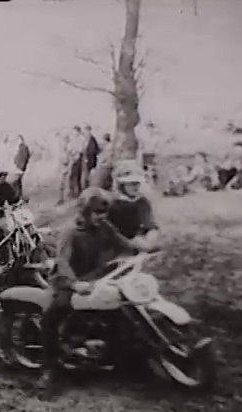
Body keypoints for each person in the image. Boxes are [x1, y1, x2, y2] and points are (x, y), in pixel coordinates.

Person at [40, 188, 138, 385]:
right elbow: (62, 262)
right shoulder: (70, 232)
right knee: (52, 315)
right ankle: (50, 367)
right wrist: (75, 284)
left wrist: (141, 251)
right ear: (85, 211)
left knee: (123, 307)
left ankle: (118, 355)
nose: (102, 217)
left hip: (96, 278)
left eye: (104, 212)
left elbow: (122, 243)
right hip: (68, 281)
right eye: (97, 212)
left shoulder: (103, 226)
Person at [106, 160, 161, 252]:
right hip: (127, 238)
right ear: (122, 185)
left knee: (153, 237)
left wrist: (150, 232)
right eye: (131, 184)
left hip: (143, 234)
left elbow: (149, 223)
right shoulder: (115, 205)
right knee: (143, 245)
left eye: (137, 183)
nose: (135, 187)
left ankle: (148, 247)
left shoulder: (142, 201)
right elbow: (117, 232)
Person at [7, 134, 31, 200]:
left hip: (18, 168)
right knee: (18, 183)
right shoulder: (24, 148)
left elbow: (21, 159)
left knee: (15, 183)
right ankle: (17, 196)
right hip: (19, 168)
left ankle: (16, 196)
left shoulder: (22, 149)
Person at [81, 125, 100, 191]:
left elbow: (94, 151)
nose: (84, 133)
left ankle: (87, 191)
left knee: (86, 178)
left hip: (89, 162)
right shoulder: (85, 139)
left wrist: (88, 159)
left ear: (88, 131)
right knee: (84, 178)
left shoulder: (92, 139)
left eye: (85, 131)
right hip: (85, 161)